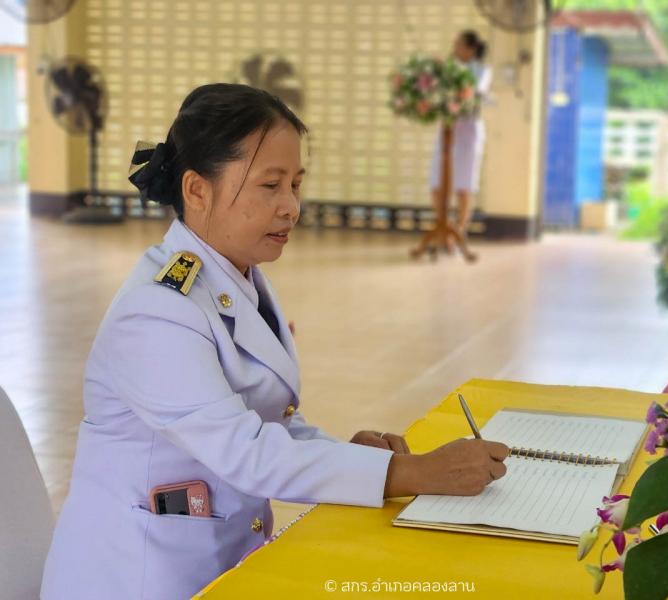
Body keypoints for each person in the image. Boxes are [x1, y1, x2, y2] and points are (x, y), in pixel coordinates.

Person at [41, 84, 509, 600]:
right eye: (270, 185)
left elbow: (267, 421)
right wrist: (409, 472)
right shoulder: (157, 312)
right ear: (197, 190)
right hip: (139, 578)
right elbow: (248, 453)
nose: (291, 207)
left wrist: (356, 460)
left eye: (296, 184)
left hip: (217, 563)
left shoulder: (236, 277)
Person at [428, 30, 492, 244]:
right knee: (437, 183)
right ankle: (442, 226)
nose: (454, 49)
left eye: (458, 45)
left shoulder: (482, 70)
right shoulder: (449, 68)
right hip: (448, 129)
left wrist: (447, 71)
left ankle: (459, 231)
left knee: (464, 185)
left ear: (470, 49)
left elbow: (471, 90)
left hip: (469, 130)